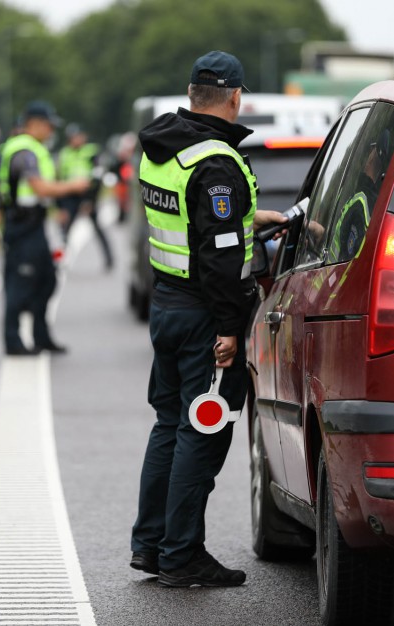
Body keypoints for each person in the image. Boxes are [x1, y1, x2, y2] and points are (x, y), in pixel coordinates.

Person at [129, 50, 287, 588]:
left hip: (167, 304)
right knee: (204, 429)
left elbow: (194, 225)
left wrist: (250, 218)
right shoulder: (217, 162)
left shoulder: (163, 149)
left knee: (170, 424)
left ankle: (152, 545)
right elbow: (218, 255)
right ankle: (181, 556)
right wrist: (227, 329)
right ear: (236, 97)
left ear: (193, 93)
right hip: (204, 317)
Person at [0, 101, 89, 356]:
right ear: (34, 124)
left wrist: (58, 207)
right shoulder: (24, 150)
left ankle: (41, 336)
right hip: (21, 227)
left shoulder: (34, 148)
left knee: (47, 279)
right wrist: (73, 186)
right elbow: (40, 187)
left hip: (34, 225)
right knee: (20, 285)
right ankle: (13, 342)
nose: (51, 131)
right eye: (49, 125)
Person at [56, 123, 114, 269]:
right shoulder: (65, 153)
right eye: (72, 137)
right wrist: (60, 206)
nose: (75, 140)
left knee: (97, 229)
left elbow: (98, 177)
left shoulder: (91, 152)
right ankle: (60, 260)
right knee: (64, 230)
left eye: (78, 136)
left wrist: (90, 200)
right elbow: (59, 180)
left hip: (88, 195)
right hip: (70, 196)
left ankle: (109, 260)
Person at [330, 129, 390, 261]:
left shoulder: (362, 204)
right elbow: (341, 238)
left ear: (373, 156)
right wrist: (321, 232)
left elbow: (349, 258)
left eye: (370, 148)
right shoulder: (361, 198)